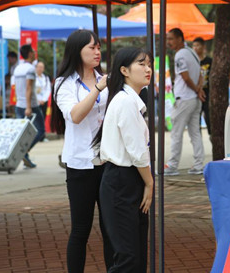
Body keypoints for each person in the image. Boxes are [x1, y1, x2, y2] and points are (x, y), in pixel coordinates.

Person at [51, 29, 113, 272]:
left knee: (110, 228)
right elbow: (75, 115)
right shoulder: (63, 84)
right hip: (80, 165)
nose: (97, 52)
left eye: (99, 47)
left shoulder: (106, 79)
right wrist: (97, 88)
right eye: (92, 47)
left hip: (108, 162)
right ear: (77, 51)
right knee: (80, 229)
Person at [96, 47, 153, 273]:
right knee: (128, 258)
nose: (148, 69)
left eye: (149, 64)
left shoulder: (130, 100)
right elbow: (137, 151)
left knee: (136, 256)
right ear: (124, 70)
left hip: (128, 180)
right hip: (122, 181)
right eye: (141, 64)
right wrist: (149, 182)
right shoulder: (125, 102)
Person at [165, 28, 205, 176]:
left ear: (180, 39)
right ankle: (198, 165)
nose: (168, 42)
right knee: (195, 133)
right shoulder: (192, 52)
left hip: (184, 99)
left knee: (176, 133)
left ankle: (172, 165)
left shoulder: (180, 55)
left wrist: (196, 89)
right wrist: (199, 90)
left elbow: (186, 77)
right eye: (168, 39)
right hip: (194, 99)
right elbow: (200, 74)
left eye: (171, 39)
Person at [13, 45, 45, 168]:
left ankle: (24, 154)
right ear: (30, 53)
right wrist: (28, 107)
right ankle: (24, 152)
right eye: (33, 51)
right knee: (40, 130)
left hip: (19, 105)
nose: (34, 52)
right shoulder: (30, 69)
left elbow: (16, 87)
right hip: (31, 105)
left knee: (22, 134)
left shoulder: (17, 68)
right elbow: (28, 88)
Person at [193, 37, 212, 137]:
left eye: (198, 45)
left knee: (209, 118)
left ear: (203, 47)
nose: (195, 48)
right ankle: (198, 141)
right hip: (195, 94)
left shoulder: (209, 61)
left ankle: (212, 137)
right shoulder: (193, 61)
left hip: (208, 93)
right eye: (194, 46)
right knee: (196, 120)